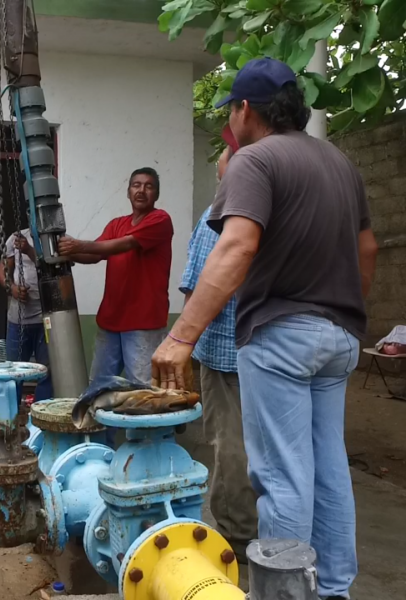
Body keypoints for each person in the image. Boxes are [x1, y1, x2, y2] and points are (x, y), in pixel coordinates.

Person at [152, 58, 378, 600]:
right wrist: (342, 311)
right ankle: (333, 591)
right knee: (328, 470)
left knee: (280, 476)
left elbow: (237, 246)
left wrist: (181, 336)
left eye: (230, 110)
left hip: (280, 336)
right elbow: (366, 248)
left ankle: (285, 594)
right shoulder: (340, 164)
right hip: (339, 336)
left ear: (245, 109)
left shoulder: (255, 160)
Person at [179, 137, 257, 562]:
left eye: (221, 166)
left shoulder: (219, 217)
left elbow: (197, 287)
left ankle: (237, 537)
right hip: (272, 351)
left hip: (227, 354)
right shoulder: (282, 213)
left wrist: (182, 346)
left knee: (230, 445)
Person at [58, 167, 173, 385]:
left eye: (149, 186)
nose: (141, 190)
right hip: (110, 321)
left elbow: (125, 244)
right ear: (128, 191)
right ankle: (100, 421)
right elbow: (95, 254)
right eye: (136, 185)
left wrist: (77, 244)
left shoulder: (160, 220)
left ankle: (146, 421)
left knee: (143, 389)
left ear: (156, 194)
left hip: (143, 323)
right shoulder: (117, 224)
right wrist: (64, 252)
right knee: (98, 386)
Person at [0, 229, 53, 400]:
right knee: (13, 373)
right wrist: (13, 289)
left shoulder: (53, 237)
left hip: (47, 320)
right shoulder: (16, 237)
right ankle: (11, 418)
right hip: (18, 320)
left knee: (47, 373)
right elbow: (1, 273)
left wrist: (29, 250)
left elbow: (51, 268)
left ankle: (41, 416)